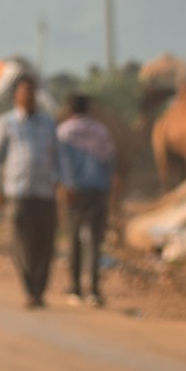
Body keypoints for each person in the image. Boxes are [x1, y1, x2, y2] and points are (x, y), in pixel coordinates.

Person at [0, 73, 65, 307]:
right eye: (24, 92)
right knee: (21, 242)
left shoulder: (48, 123)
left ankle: (39, 289)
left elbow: (59, 154)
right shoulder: (6, 123)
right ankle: (29, 287)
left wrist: (64, 181)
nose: (29, 97)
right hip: (18, 191)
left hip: (45, 191)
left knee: (45, 242)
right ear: (16, 96)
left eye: (32, 92)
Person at [57, 94, 115, 306]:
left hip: (74, 192)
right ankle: (94, 290)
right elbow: (109, 160)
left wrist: (66, 185)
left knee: (74, 239)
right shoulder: (101, 131)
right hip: (98, 190)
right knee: (95, 240)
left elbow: (60, 163)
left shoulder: (63, 132)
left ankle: (75, 288)